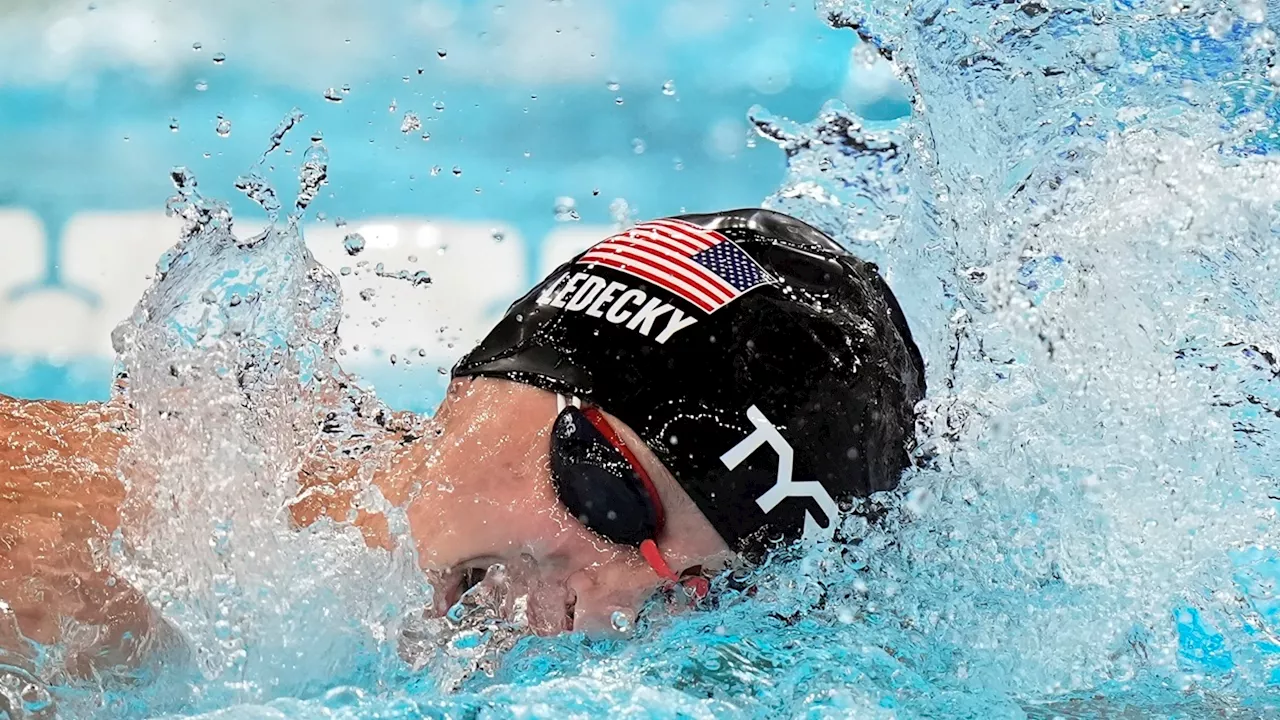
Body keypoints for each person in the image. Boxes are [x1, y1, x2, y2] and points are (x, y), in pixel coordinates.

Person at [0, 208, 925, 674]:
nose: (599, 608)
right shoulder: (72, 566)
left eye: (691, 592)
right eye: (610, 493)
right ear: (493, 381)